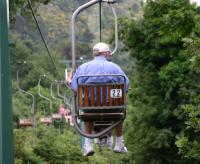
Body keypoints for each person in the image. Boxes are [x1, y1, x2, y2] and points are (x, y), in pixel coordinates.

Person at [68, 42, 129, 156]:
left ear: (95, 54)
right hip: (113, 109)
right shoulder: (115, 67)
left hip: (90, 108)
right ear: (106, 54)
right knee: (119, 112)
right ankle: (119, 143)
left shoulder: (83, 68)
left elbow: (75, 88)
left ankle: (88, 145)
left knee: (87, 112)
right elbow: (126, 86)